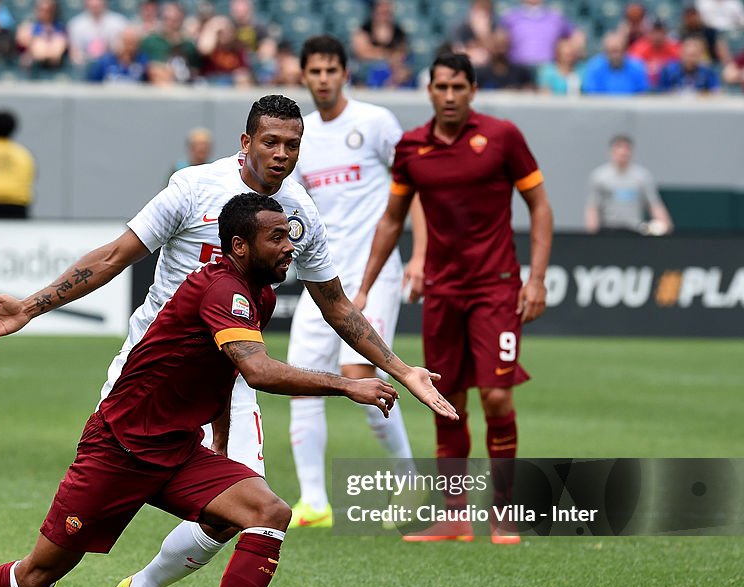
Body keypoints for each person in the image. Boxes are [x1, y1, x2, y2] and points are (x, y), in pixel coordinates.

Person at [0, 94, 456, 587]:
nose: (282, 154)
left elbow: (335, 304)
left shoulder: (299, 213)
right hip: (151, 374)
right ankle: (42, 578)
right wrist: (31, 306)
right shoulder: (194, 186)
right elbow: (116, 255)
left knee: (246, 511)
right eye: (271, 142)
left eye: (293, 145)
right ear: (246, 143)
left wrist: (400, 368)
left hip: (236, 374)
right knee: (92, 503)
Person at [0, 193, 409, 587]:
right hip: (119, 448)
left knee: (267, 511)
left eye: (291, 233)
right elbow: (260, 372)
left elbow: (222, 374)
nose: (291, 244)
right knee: (37, 574)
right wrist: (349, 384)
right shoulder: (222, 288)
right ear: (240, 245)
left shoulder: (257, 295)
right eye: (278, 236)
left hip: (176, 450)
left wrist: (219, 446)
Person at [355, 51, 553, 544]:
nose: (449, 96)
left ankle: (505, 512)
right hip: (442, 293)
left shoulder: (503, 137)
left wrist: (537, 279)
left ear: (472, 90)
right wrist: (362, 288)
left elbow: (540, 207)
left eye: (458, 87)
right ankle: (454, 517)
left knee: (497, 396)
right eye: (441, 87)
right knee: (448, 401)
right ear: (429, 90)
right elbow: (393, 219)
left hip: (496, 287)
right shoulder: (412, 148)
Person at [286, 35, 425, 529]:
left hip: (376, 270)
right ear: (304, 76)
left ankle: (410, 483)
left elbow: (415, 187)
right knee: (301, 378)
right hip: (321, 275)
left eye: (330, 70)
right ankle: (315, 503)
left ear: (345, 73)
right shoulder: (301, 137)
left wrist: (419, 255)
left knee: (362, 373)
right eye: (314, 71)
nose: (322, 79)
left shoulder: (375, 121)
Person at [585, 134, 673, 236]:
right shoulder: (599, 176)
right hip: (608, 230)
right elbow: (593, 206)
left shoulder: (642, 176)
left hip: (635, 231)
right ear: (611, 151)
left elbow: (654, 203)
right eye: (619, 148)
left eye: (627, 148)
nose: (623, 152)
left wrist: (665, 224)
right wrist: (592, 233)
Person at [499, 0, 583, 69]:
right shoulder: (510, 17)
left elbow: (576, 36)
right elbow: (499, 40)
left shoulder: (555, 17)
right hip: (518, 67)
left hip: (547, 69)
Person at [581, 32, 649, 95]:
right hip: (602, 107)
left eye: (617, 51)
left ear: (625, 50)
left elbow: (641, 95)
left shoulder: (637, 67)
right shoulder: (594, 68)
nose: (614, 56)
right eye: (610, 51)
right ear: (605, 52)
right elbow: (592, 97)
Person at [656, 35, 721, 95]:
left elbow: (715, 92)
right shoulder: (668, 71)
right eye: (689, 55)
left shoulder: (707, 73)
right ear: (681, 53)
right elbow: (662, 93)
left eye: (694, 55)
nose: (691, 60)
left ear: (700, 55)